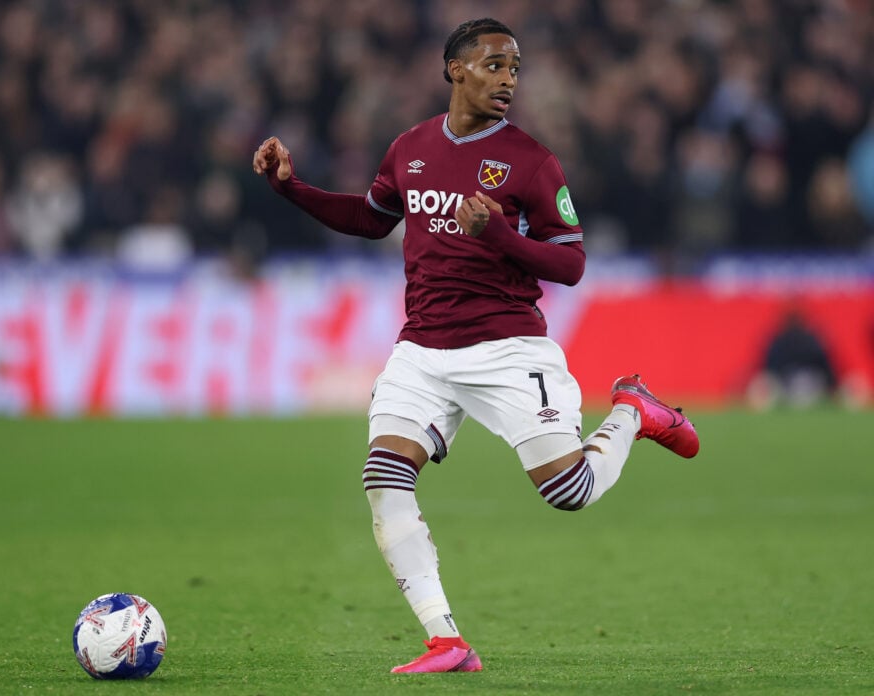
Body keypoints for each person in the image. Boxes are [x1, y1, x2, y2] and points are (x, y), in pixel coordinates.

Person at [252, 17, 700, 674]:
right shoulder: (410, 148)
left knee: (569, 490)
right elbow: (371, 219)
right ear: (455, 69)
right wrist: (290, 189)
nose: (508, 79)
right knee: (383, 477)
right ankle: (446, 641)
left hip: (507, 346)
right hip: (422, 349)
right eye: (494, 65)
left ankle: (632, 409)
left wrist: (500, 237)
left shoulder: (531, 161)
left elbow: (572, 264)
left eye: (515, 68)